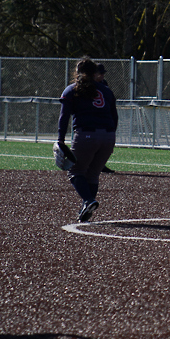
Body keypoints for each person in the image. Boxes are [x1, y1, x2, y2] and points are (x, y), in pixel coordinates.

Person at [57, 56, 118, 222]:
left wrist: (60, 139)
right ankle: (87, 210)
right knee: (93, 175)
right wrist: (110, 136)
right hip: (108, 135)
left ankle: (88, 200)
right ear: (95, 73)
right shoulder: (106, 90)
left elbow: (64, 117)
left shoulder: (72, 90)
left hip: (86, 135)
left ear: (78, 72)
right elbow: (114, 116)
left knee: (75, 170)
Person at [94, 63, 116, 174]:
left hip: (105, 117)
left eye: (103, 73)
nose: (102, 75)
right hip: (93, 119)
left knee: (105, 145)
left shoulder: (104, 84)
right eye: (100, 73)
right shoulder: (89, 84)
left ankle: (101, 165)